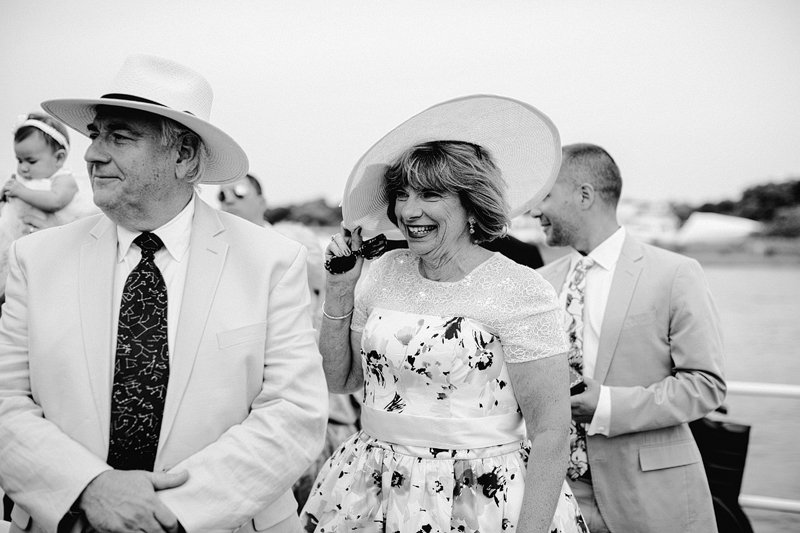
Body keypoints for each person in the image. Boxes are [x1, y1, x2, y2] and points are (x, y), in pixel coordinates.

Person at [0, 54, 328, 533]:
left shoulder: (272, 261)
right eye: (95, 135)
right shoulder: (35, 259)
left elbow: (293, 413)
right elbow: (6, 400)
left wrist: (171, 514)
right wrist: (90, 489)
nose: (91, 154)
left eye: (119, 136)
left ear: (184, 158)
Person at [301, 95, 587, 533]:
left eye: (430, 195)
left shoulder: (521, 290)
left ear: (471, 203)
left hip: (478, 500)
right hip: (369, 487)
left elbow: (551, 433)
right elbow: (340, 381)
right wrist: (340, 289)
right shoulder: (381, 274)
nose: (408, 211)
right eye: (402, 194)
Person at [531, 143, 726, 533]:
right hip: (556, 497)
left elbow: (706, 386)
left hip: (649, 496)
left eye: (545, 196)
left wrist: (604, 405)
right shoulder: (540, 284)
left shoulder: (675, 274)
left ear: (584, 195)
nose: (535, 211)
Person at [218, 172, 360, 510]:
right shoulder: (217, 252)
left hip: (316, 397)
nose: (230, 200)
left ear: (262, 200)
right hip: (248, 405)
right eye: (221, 196)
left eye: (238, 191)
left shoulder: (291, 239)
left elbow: (330, 287)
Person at [0, 113, 81, 296]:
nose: (23, 168)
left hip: (45, 252)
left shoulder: (64, 179)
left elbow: (56, 200)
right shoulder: (24, 180)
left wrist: (21, 191)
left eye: (31, 161)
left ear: (59, 158)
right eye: (19, 160)